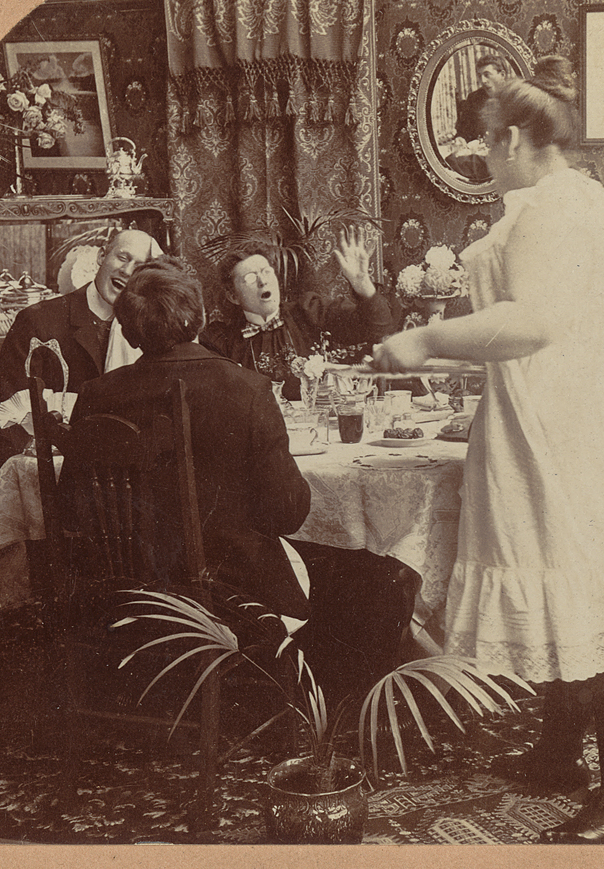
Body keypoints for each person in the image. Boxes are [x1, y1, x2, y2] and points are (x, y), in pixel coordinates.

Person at [371, 56, 604, 844]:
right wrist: (434, 351)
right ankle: (556, 753)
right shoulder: (587, 205)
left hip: (574, 436)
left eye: (481, 140)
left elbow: (536, 322)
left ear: (511, 137)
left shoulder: (551, 213)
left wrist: (422, 337)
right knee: (578, 595)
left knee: (602, 603)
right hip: (583, 421)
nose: (479, 155)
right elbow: (547, 330)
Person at [66, 260, 412, 708]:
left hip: (124, 585)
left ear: (131, 333)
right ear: (199, 315)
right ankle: (336, 712)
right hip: (227, 588)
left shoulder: (97, 394)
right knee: (373, 570)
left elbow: (74, 507)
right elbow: (287, 512)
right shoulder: (245, 389)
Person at [198, 226, 397, 398]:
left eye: (267, 271)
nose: (263, 281)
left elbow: (378, 329)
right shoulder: (224, 340)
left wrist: (362, 284)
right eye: (250, 278)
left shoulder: (309, 310)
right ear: (233, 296)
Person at [0, 228, 160, 404]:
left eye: (139, 267)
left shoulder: (150, 327)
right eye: (122, 258)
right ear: (102, 256)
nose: (127, 271)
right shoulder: (37, 321)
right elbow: (10, 408)